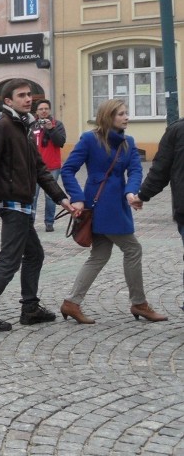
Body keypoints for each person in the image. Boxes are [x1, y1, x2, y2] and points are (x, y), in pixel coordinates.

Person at [0, 79, 73, 332]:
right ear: (8, 101)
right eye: (22, 95)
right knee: (9, 260)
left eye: (30, 95)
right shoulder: (2, 126)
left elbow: (40, 169)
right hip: (11, 202)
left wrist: (61, 198)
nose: (29, 99)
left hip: (23, 203)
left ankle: (30, 308)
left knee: (35, 254)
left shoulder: (23, 127)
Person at [59, 99, 167, 324]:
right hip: (100, 205)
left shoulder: (128, 141)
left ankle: (71, 302)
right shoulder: (90, 139)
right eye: (121, 114)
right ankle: (139, 303)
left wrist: (131, 192)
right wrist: (77, 198)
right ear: (108, 116)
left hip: (118, 203)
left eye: (126, 113)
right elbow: (68, 170)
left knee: (99, 255)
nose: (127, 117)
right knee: (133, 249)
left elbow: (135, 170)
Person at [135, 117, 184, 303]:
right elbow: (161, 169)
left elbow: (161, 169)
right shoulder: (178, 130)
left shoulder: (176, 130)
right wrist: (143, 194)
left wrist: (142, 195)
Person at [30, 100, 66, 232]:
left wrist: (51, 129)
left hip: (52, 166)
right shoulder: (31, 125)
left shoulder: (57, 124)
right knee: (32, 195)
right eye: (41, 109)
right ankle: (30, 222)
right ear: (37, 112)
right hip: (33, 167)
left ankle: (49, 222)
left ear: (49, 110)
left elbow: (60, 142)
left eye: (46, 108)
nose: (44, 111)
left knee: (50, 196)